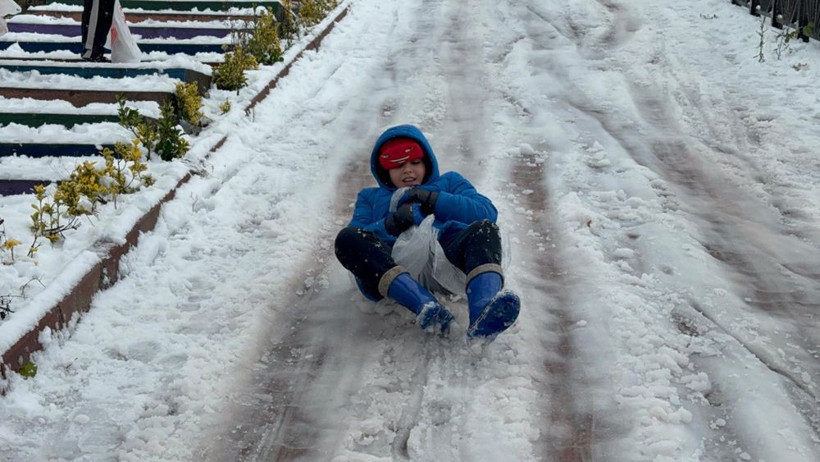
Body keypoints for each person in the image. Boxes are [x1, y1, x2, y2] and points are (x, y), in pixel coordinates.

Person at [334, 124, 520, 338]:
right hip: (391, 267)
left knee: (485, 230)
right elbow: (359, 233)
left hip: (448, 258)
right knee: (347, 239)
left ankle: (483, 311)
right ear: (385, 170)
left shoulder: (450, 182)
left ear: (427, 162)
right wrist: (390, 224)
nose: (408, 170)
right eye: (398, 165)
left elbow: (486, 211)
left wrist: (434, 200)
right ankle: (424, 305)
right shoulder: (370, 197)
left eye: (415, 162)